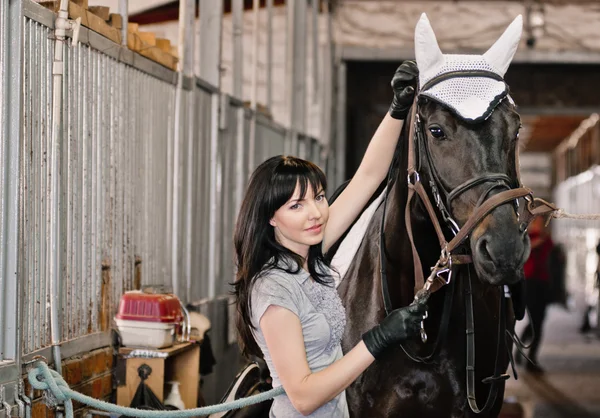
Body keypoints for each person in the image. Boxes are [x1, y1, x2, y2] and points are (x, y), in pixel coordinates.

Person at [233, 61, 428, 417]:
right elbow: (304, 397)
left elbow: (368, 176)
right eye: (296, 205)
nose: (316, 213)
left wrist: (397, 109)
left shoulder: (309, 251)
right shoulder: (273, 290)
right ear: (271, 217)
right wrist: (378, 340)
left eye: (319, 197)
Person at [518, 215, 554, 374]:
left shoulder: (545, 239)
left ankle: (525, 353)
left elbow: (550, 250)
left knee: (538, 321)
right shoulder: (525, 238)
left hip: (542, 283)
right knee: (534, 323)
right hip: (529, 282)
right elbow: (522, 251)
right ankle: (529, 359)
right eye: (537, 222)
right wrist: (534, 242)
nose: (539, 225)